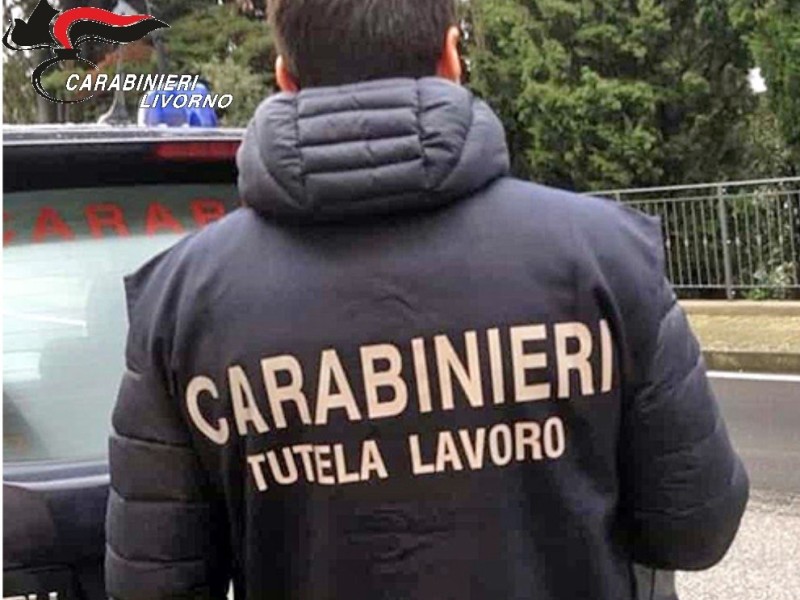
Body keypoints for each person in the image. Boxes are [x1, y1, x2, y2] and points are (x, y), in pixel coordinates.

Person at [105, 1, 749, 598]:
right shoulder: (606, 257)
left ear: (284, 77)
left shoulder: (181, 303)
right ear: (450, 56)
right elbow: (695, 527)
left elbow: (152, 585)